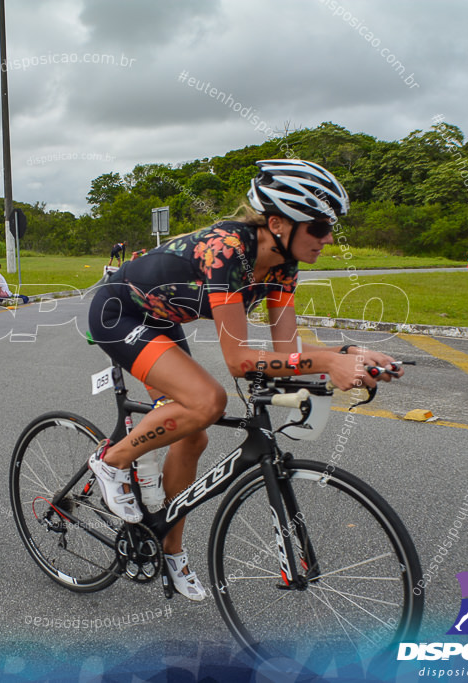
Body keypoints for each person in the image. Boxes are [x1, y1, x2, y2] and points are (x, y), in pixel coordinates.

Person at [86, 159, 404, 601]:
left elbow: (285, 353)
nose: (328, 237)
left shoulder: (282, 266)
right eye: (318, 226)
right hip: (117, 313)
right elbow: (238, 361)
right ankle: (112, 461)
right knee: (207, 402)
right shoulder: (227, 251)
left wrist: (347, 355)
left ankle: (169, 550)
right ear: (277, 223)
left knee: (193, 437)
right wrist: (329, 363)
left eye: (330, 226)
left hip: (160, 319)